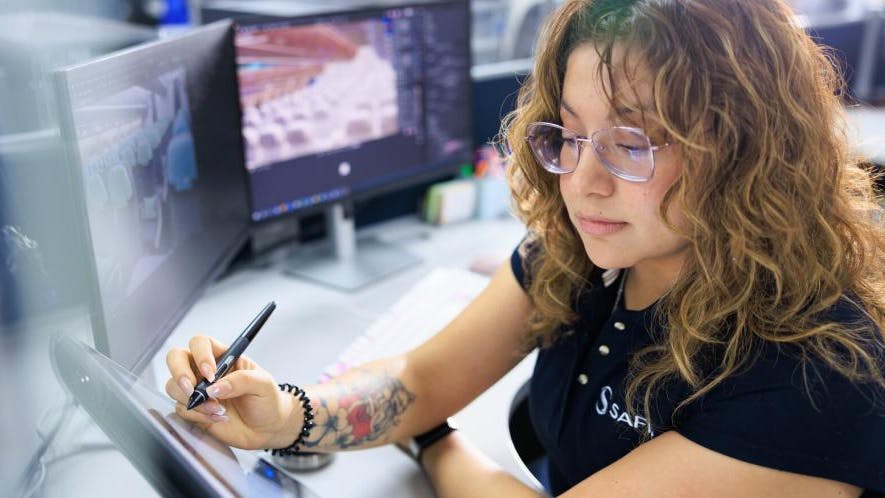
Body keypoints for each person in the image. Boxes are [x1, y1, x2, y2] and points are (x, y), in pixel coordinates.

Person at [165, 0, 885, 496]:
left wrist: (436, 443)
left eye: (631, 143)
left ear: (745, 151)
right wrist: (287, 415)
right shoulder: (589, 253)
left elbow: (426, 412)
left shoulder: (813, 375)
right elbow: (420, 380)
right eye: (569, 135)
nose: (583, 181)